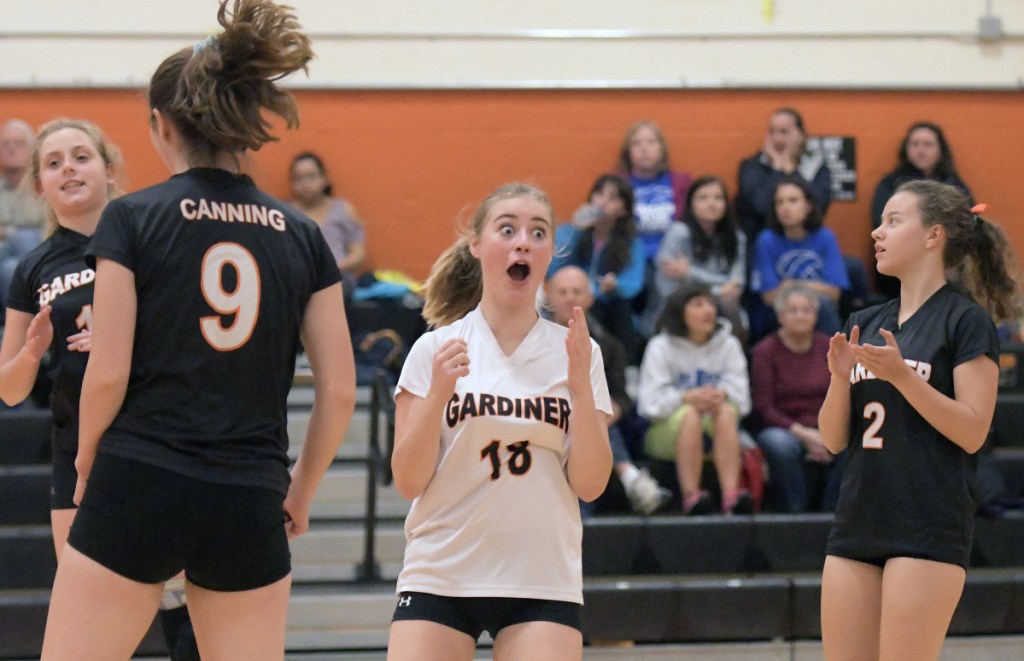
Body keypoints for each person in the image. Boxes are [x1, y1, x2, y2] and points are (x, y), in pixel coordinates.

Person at [40, 2, 356, 660]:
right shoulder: (303, 233)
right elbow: (341, 390)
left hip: (141, 475)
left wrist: (87, 458)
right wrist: (298, 491)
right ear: (244, 122)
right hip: (249, 493)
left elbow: (107, 370)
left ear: (161, 125)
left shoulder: (130, 217)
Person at [387, 182, 612, 661]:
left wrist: (580, 386)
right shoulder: (435, 348)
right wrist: (436, 398)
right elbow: (407, 480)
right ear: (476, 244)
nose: (522, 242)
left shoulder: (578, 352)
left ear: (550, 251)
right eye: (507, 229)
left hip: (542, 576)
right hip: (441, 570)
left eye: (537, 232)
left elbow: (591, 485)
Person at [818, 180, 1019, 661]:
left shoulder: (966, 321)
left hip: (927, 524)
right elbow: (832, 439)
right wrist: (838, 379)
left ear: (933, 236)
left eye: (893, 220)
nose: (875, 233)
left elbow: (973, 432)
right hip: (857, 519)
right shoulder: (862, 320)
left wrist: (905, 379)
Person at [547, 265, 670, 516]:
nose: (569, 297)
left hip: (590, 423)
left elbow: (621, 396)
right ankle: (629, 475)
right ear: (549, 297)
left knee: (594, 421)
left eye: (576, 291)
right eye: (562, 292)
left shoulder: (608, 345)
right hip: (545, 418)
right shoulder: (530, 339)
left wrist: (612, 408)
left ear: (590, 298)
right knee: (589, 421)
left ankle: (584, 523)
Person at [637, 283, 753, 515]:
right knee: (690, 414)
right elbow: (649, 405)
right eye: (698, 304)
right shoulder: (660, 346)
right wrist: (686, 398)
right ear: (680, 312)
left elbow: (744, 402)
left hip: (716, 424)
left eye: (710, 303)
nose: (708, 310)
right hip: (665, 431)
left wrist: (723, 394)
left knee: (726, 411)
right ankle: (692, 497)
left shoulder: (728, 345)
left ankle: (731, 496)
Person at [751, 283, 841, 513]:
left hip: (825, 426)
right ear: (780, 316)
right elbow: (764, 408)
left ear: (816, 315)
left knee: (858, 439)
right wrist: (805, 435)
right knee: (779, 444)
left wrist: (827, 435)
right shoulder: (765, 350)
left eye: (806, 310)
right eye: (793, 310)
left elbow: (843, 395)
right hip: (785, 428)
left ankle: (835, 513)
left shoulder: (829, 347)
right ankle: (794, 514)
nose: (800, 316)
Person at [870, 122, 973, 299]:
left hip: (944, 252)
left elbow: (967, 222)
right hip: (903, 251)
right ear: (906, 149)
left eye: (928, 144)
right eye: (915, 144)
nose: (921, 150)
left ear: (940, 150)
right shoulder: (891, 184)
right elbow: (878, 220)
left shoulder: (954, 185)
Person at [548, 173, 645, 360]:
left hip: (607, 306)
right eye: (599, 194)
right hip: (573, 300)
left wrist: (616, 285)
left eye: (613, 197)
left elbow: (634, 282)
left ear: (623, 210)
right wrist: (577, 229)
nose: (603, 202)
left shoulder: (633, 243)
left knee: (620, 310)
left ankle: (626, 370)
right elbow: (552, 271)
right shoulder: (569, 231)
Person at [748, 175, 849, 341]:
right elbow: (769, 297)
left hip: (818, 310)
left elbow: (834, 292)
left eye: (792, 200)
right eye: (779, 202)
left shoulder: (825, 237)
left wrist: (790, 284)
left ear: (808, 205)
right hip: (778, 313)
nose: (785, 208)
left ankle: (838, 360)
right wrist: (813, 289)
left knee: (823, 306)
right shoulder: (766, 240)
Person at [655, 175, 746, 342]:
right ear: (691, 203)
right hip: (679, 306)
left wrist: (689, 273)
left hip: (723, 307)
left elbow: (736, 284)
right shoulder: (678, 233)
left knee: (730, 303)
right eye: (703, 198)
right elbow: (666, 288)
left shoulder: (736, 237)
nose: (711, 204)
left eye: (718, 198)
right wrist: (718, 289)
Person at [735, 107, 832, 246]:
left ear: (801, 135)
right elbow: (761, 207)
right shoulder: (751, 167)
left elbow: (818, 207)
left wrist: (789, 169)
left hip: (807, 242)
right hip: (759, 243)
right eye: (772, 132)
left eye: (784, 132)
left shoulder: (816, 167)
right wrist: (777, 169)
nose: (777, 138)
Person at [288, 150, 367, 293]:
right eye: (298, 178)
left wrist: (336, 268)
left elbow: (359, 252)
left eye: (311, 177)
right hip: (299, 280)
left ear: (324, 178)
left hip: (339, 279)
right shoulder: (286, 214)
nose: (305, 184)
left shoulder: (343, 210)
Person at [0, 118, 47, 310]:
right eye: (5, 144)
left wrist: (8, 233)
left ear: (31, 150)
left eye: (18, 144)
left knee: (22, 243)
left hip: (34, 254)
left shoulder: (43, 187)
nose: (11, 149)